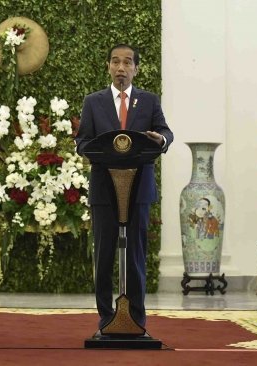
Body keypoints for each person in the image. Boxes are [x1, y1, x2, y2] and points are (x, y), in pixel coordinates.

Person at [75, 44, 174, 332]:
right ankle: (107, 320)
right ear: (108, 66)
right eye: (116, 62)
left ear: (136, 69)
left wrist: (161, 140)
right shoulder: (94, 102)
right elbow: (82, 141)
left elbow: (165, 132)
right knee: (104, 257)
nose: (121, 68)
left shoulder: (149, 101)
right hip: (105, 191)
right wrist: (93, 149)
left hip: (138, 188)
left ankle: (135, 321)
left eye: (127, 63)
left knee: (135, 257)